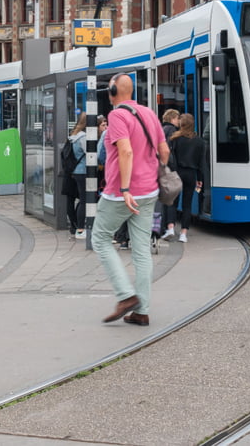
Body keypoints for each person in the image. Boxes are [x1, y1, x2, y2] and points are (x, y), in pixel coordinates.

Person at [93, 72, 169, 326]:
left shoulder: (117, 115)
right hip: (150, 191)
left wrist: (126, 188)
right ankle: (142, 310)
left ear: (113, 92)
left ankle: (126, 296)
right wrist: (150, 173)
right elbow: (164, 151)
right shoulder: (149, 113)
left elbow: (124, 150)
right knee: (141, 250)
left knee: (100, 238)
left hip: (121, 193)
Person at [168, 113, 205, 243]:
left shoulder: (175, 139)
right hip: (191, 174)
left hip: (177, 173)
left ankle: (171, 228)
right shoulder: (199, 141)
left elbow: (171, 159)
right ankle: (183, 234)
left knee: (173, 202)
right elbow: (201, 163)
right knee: (187, 204)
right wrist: (200, 178)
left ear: (181, 124)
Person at [66, 112, 88, 240]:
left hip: (76, 171)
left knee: (82, 200)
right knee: (84, 201)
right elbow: (89, 153)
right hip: (83, 171)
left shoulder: (73, 136)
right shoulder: (83, 137)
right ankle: (80, 229)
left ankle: (79, 227)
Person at [159, 109, 180, 240]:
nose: (178, 121)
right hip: (169, 169)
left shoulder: (161, 129)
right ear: (172, 118)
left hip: (160, 169)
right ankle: (170, 227)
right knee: (171, 199)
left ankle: (163, 227)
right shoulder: (173, 131)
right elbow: (169, 151)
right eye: (177, 118)